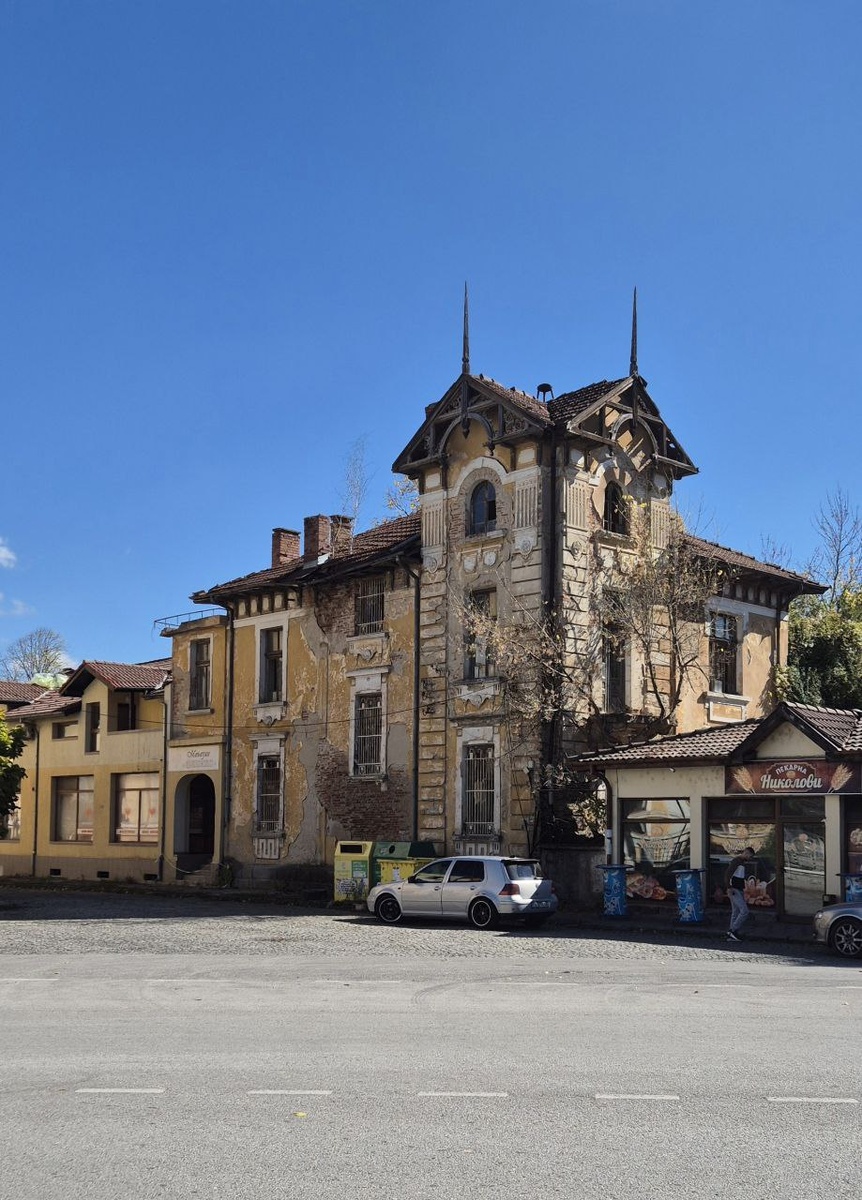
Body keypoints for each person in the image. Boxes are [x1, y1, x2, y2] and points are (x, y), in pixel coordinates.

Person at [725, 846, 755, 942]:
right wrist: (729, 888)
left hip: (738, 889)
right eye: (750, 856)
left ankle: (732, 934)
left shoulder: (741, 862)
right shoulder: (737, 861)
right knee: (744, 911)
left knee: (736, 911)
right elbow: (727, 874)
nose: (750, 859)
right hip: (734, 889)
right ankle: (732, 931)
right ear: (746, 853)